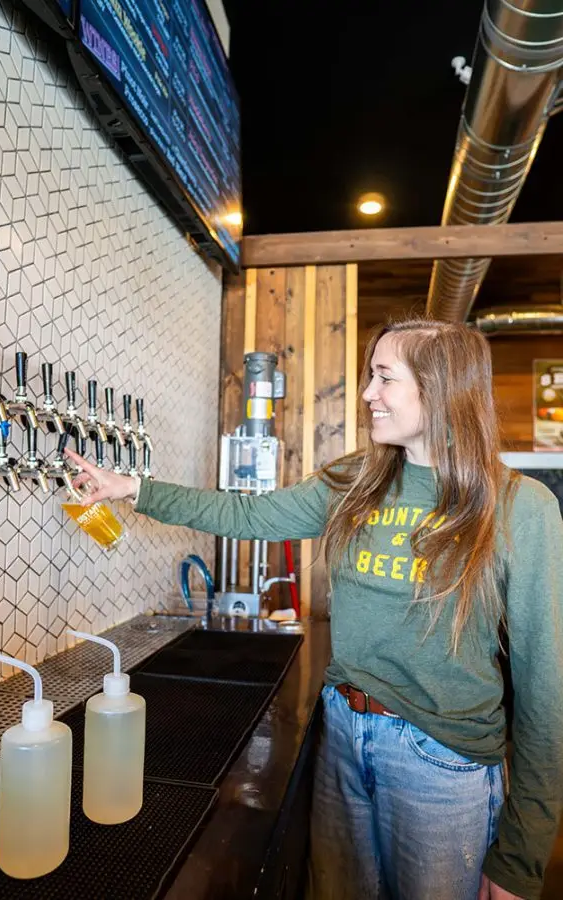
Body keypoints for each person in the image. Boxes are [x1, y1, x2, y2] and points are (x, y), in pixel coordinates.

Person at [65, 318, 563, 900]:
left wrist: (521, 857)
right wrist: (135, 489)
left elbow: (545, 688)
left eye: (383, 378)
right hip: (344, 733)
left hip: (441, 765)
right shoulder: (356, 479)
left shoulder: (519, 508)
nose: (367, 394)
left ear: (441, 386)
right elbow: (248, 516)